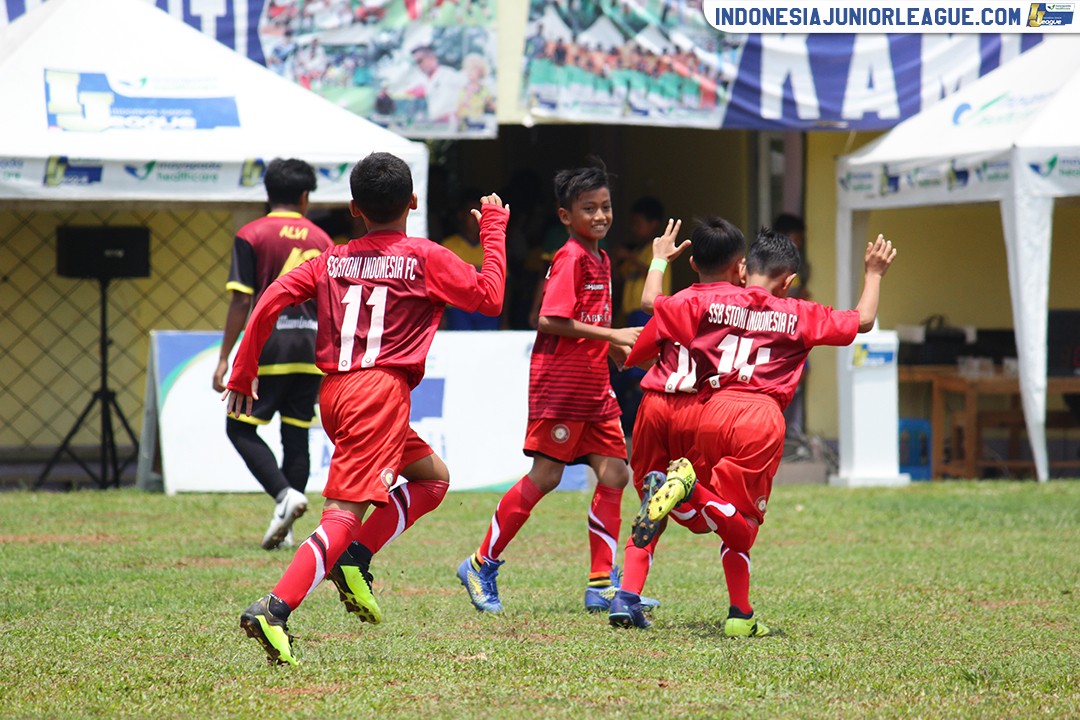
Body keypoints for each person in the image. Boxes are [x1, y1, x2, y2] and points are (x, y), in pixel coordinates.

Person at [228, 152, 508, 665]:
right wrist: (493, 229)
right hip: (377, 394)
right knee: (343, 515)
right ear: (414, 202)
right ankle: (275, 608)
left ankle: (355, 556)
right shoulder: (427, 257)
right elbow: (490, 298)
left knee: (432, 479)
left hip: (336, 393)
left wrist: (245, 368)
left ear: (354, 207)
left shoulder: (329, 259)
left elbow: (267, 300)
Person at [633, 229, 897, 636]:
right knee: (743, 527)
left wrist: (658, 261)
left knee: (715, 520)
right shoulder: (799, 311)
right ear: (788, 280)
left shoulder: (714, 299)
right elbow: (862, 321)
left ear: (745, 269)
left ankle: (741, 614)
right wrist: (874, 273)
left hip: (712, 410)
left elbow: (651, 303)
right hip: (759, 416)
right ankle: (691, 491)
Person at [456, 161, 647, 615]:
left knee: (617, 473)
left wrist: (610, 351)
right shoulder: (571, 257)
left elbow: (588, 323)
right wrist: (615, 336)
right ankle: (480, 563)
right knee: (546, 476)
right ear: (566, 216)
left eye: (606, 207)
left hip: (594, 386)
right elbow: (548, 319)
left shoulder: (600, 257)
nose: (601, 216)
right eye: (589, 209)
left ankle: (601, 583)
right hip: (560, 386)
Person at [610, 216, 748, 629]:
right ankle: (740, 608)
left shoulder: (677, 303)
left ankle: (626, 595)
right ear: (739, 265)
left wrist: (657, 261)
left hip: (654, 406)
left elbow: (645, 324)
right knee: (709, 511)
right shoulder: (747, 306)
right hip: (699, 411)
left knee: (652, 505)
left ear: (692, 264)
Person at [212, 158, 333, 551]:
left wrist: (225, 356)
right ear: (304, 197)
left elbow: (240, 301)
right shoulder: (323, 240)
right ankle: (289, 524)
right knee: (296, 436)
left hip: (268, 348)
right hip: (311, 350)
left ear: (267, 193)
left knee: (239, 428)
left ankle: (284, 495)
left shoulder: (251, 233)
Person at [610, 196, 669, 438]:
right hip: (632, 316)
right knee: (628, 369)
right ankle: (630, 424)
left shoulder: (657, 251)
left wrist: (630, 257)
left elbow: (652, 270)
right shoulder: (640, 250)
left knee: (642, 373)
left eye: (639, 223)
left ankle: (640, 426)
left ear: (653, 224)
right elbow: (620, 276)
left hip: (649, 316)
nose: (635, 228)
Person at [441, 188, 500, 330]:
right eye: (472, 213)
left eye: (481, 213)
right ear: (461, 215)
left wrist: (505, 319)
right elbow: (440, 284)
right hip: (457, 309)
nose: (476, 219)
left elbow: (504, 283)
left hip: (487, 309)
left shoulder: (492, 245)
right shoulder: (448, 246)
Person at [410, 45, 466, 124]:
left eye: (420, 61)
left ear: (432, 57)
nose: (419, 65)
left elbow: (470, 93)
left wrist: (457, 113)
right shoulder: (425, 81)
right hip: (436, 127)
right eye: (416, 63)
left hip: (452, 127)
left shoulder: (449, 74)